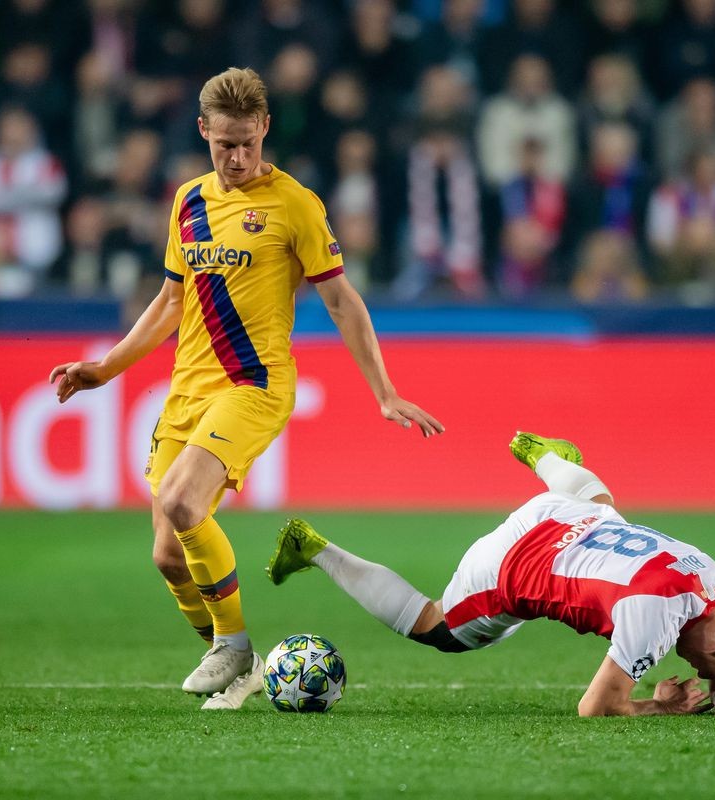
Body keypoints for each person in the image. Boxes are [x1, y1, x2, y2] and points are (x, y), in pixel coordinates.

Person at [48, 67, 443, 710]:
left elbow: (342, 300)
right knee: (169, 558)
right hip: (187, 390)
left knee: (183, 504)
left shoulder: (296, 204)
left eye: (247, 143)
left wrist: (385, 391)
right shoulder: (189, 202)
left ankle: (232, 642)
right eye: (223, 144)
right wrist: (105, 368)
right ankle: (238, 668)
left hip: (254, 383)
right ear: (204, 132)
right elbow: (170, 301)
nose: (236, 158)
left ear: (265, 128)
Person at [268, 432, 715, 718]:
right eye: (710, 672)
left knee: (605, 505)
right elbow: (596, 708)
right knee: (438, 628)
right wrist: (660, 707)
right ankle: (315, 549)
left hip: (568, 512)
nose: (698, 673)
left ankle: (550, 459)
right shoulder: (651, 615)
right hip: (512, 561)